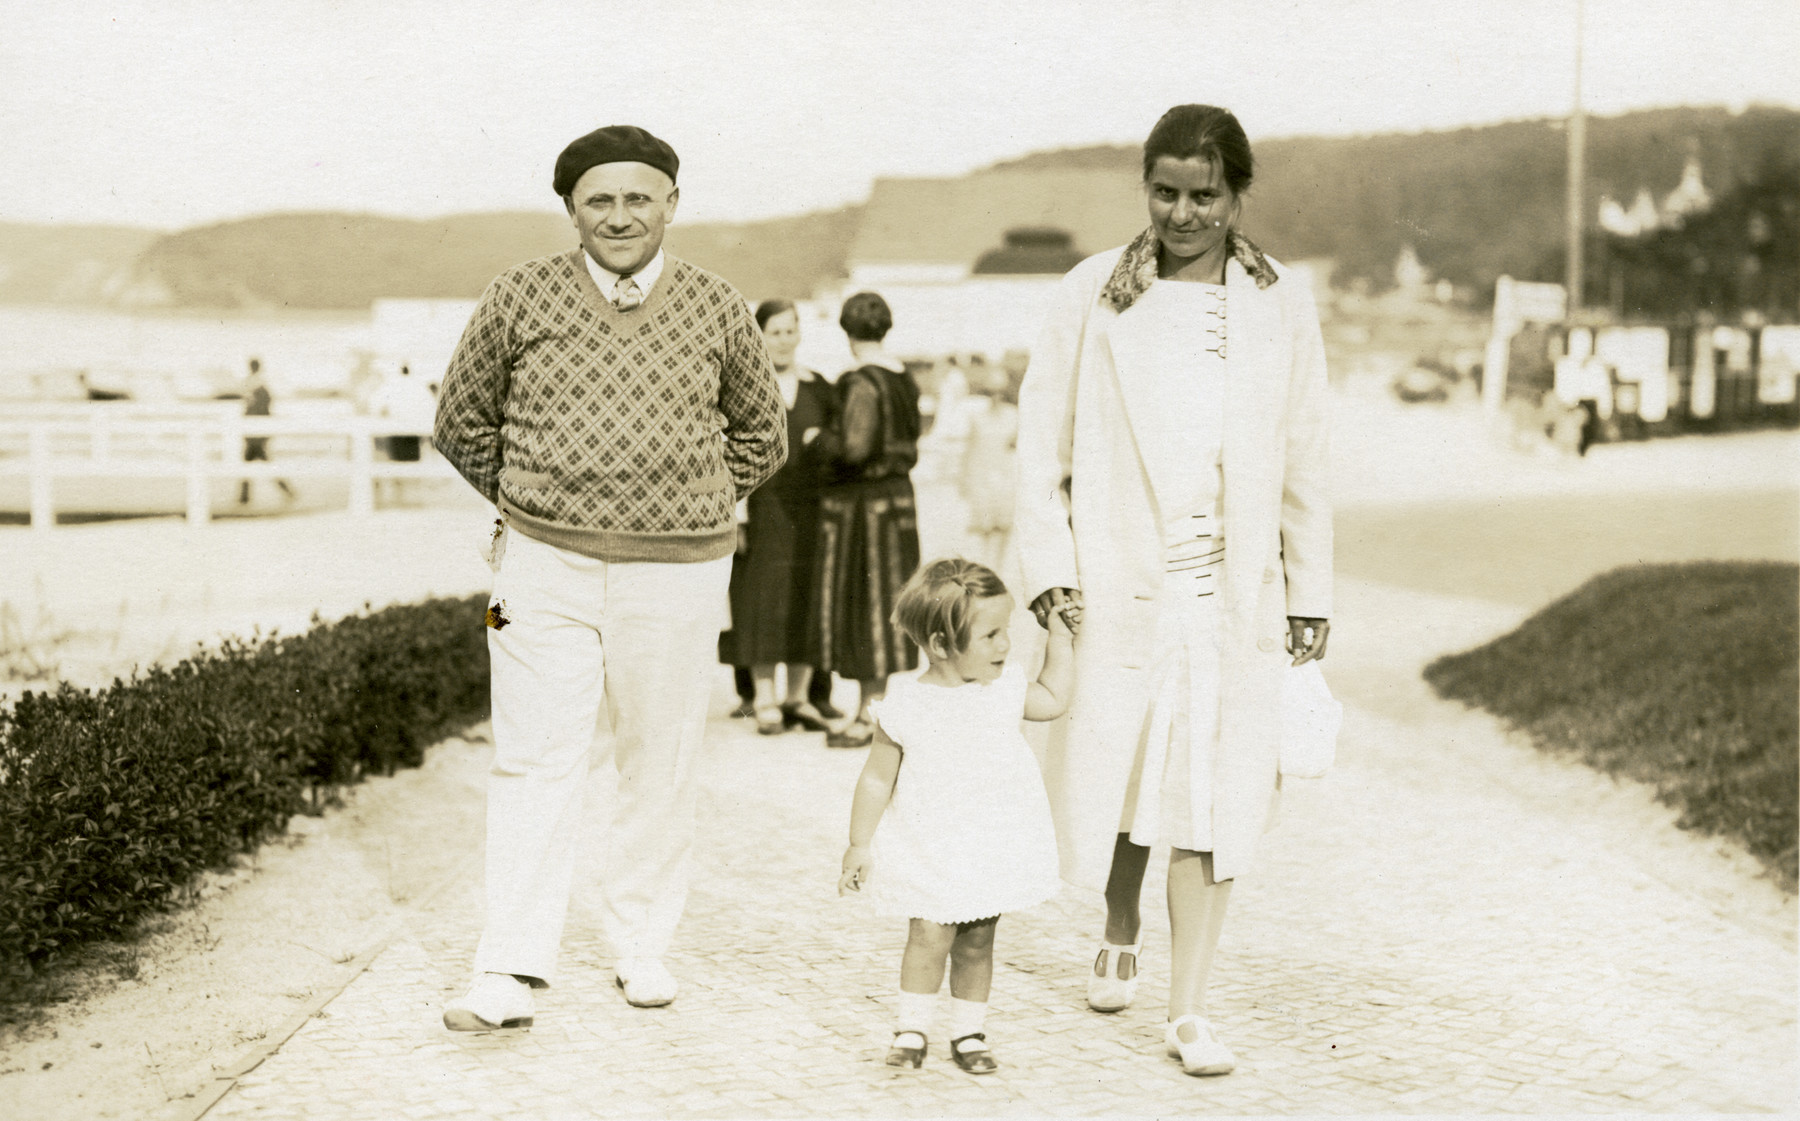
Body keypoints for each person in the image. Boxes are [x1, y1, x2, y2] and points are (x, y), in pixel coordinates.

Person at [432, 124, 786, 1031]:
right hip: (542, 567)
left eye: (639, 197)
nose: (620, 216)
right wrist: (534, 505)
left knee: (657, 759)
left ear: (672, 201)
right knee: (533, 758)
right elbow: (461, 420)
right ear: (571, 210)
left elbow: (762, 434)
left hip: (677, 572)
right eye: (600, 199)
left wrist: (686, 502)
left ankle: (641, 945)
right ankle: (507, 967)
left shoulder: (716, 303)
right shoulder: (519, 294)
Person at [1013, 104, 1333, 1076]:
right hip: (1120, 577)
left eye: (1205, 195)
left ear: (1238, 196)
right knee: (1127, 765)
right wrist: (1053, 572)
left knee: (1214, 790)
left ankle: (1189, 1004)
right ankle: (1117, 917)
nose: (1183, 213)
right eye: (1165, 192)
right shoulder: (1093, 294)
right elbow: (1041, 446)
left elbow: (1306, 450)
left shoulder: (1281, 301)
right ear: (1143, 189)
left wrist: (1308, 584)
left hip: (1231, 589)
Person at [838, 557, 1075, 1073]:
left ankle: (969, 1031)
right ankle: (911, 1026)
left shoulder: (1005, 688)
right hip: (930, 842)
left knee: (978, 939)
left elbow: (1055, 698)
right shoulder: (905, 700)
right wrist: (859, 843)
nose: (1005, 646)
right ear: (941, 645)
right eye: (989, 635)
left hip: (990, 840)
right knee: (927, 935)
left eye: (1005, 631)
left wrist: (1060, 636)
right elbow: (878, 777)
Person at [717, 299, 839, 734]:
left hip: (811, 512)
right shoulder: (741, 387)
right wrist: (736, 513)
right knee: (761, 600)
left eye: (791, 331)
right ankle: (764, 698)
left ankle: (799, 697)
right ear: (759, 336)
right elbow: (725, 454)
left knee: (807, 596)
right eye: (775, 332)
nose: (784, 340)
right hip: (763, 509)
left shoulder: (820, 387)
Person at [811, 292, 924, 748]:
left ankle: (868, 712)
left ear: (847, 331)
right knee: (888, 600)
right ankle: (875, 707)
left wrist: (821, 440)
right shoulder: (904, 378)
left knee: (865, 603)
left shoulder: (860, 381)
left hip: (864, 505)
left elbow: (854, 448)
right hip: (898, 500)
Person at [957, 366, 1019, 571]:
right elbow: (970, 448)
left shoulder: (1014, 415)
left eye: (1000, 393)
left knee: (1003, 526)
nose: (995, 398)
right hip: (982, 475)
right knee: (984, 527)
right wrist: (964, 478)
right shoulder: (977, 417)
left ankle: (998, 569)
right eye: (991, 393)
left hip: (1005, 475)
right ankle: (986, 568)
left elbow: (1019, 447)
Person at [238, 357, 294, 505]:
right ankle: (245, 497)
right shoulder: (258, 386)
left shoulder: (256, 388)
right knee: (257, 464)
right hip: (255, 433)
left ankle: (245, 498)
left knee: (250, 465)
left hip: (255, 434)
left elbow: (258, 410)